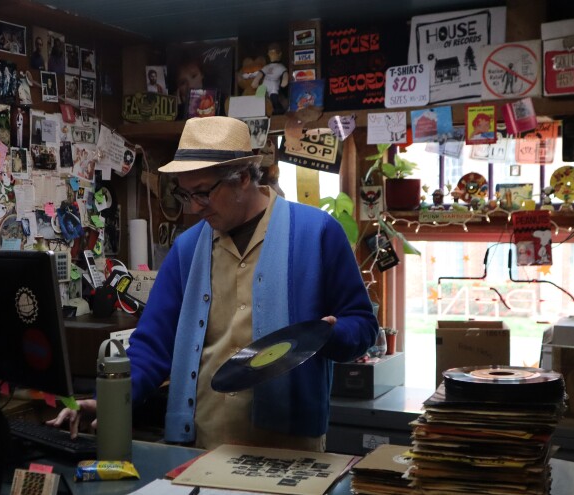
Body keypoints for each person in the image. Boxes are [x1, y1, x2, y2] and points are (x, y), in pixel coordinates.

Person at [48, 116, 377, 452]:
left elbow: (363, 325)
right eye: (185, 194)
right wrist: (112, 399)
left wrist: (329, 335)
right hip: (205, 445)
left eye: (203, 193)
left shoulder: (317, 233)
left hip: (291, 446)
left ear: (243, 178)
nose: (192, 207)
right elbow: (153, 344)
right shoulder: (187, 249)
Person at [254, 43, 289, 114]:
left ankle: (278, 111)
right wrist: (255, 82)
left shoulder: (281, 67)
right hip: (264, 85)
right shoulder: (267, 67)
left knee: (274, 99)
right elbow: (260, 74)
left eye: (274, 52)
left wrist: (284, 83)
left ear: (279, 54)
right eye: (270, 53)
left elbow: (285, 75)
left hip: (274, 85)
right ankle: (259, 112)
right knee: (259, 97)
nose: (272, 55)